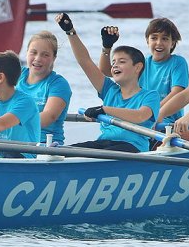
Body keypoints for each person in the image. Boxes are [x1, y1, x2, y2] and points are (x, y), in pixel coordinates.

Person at [56, 13, 160, 153]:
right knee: (64, 152)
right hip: (104, 143)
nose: (115, 66)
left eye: (122, 62)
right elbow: (85, 61)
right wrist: (70, 31)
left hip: (132, 148)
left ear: (138, 67)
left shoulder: (150, 95)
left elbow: (140, 116)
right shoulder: (109, 90)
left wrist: (104, 109)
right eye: (113, 63)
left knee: (105, 152)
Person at [98, 18, 189, 125]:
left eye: (165, 39)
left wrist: (151, 110)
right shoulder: (142, 63)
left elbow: (177, 93)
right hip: (138, 117)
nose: (159, 43)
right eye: (154, 38)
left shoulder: (178, 62)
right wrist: (106, 47)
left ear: (172, 43)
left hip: (165, 121)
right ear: (147, 41)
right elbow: (107, 72)